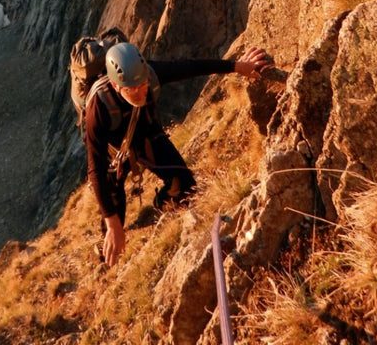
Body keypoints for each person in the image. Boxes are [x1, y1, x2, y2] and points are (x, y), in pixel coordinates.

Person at [85, 41, 269, 266]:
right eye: (131, 89)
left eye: (142, 84)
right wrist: (112, 223)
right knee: (114, 221)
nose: (140, 91)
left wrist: (236, 66)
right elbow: (95, 168)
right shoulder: (98, 107)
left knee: (186, 186)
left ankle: (163, 203)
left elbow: (190, 67)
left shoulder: (151, 74)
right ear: (115, 86)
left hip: (146, 137)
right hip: (114, 156)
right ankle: (107, 256)